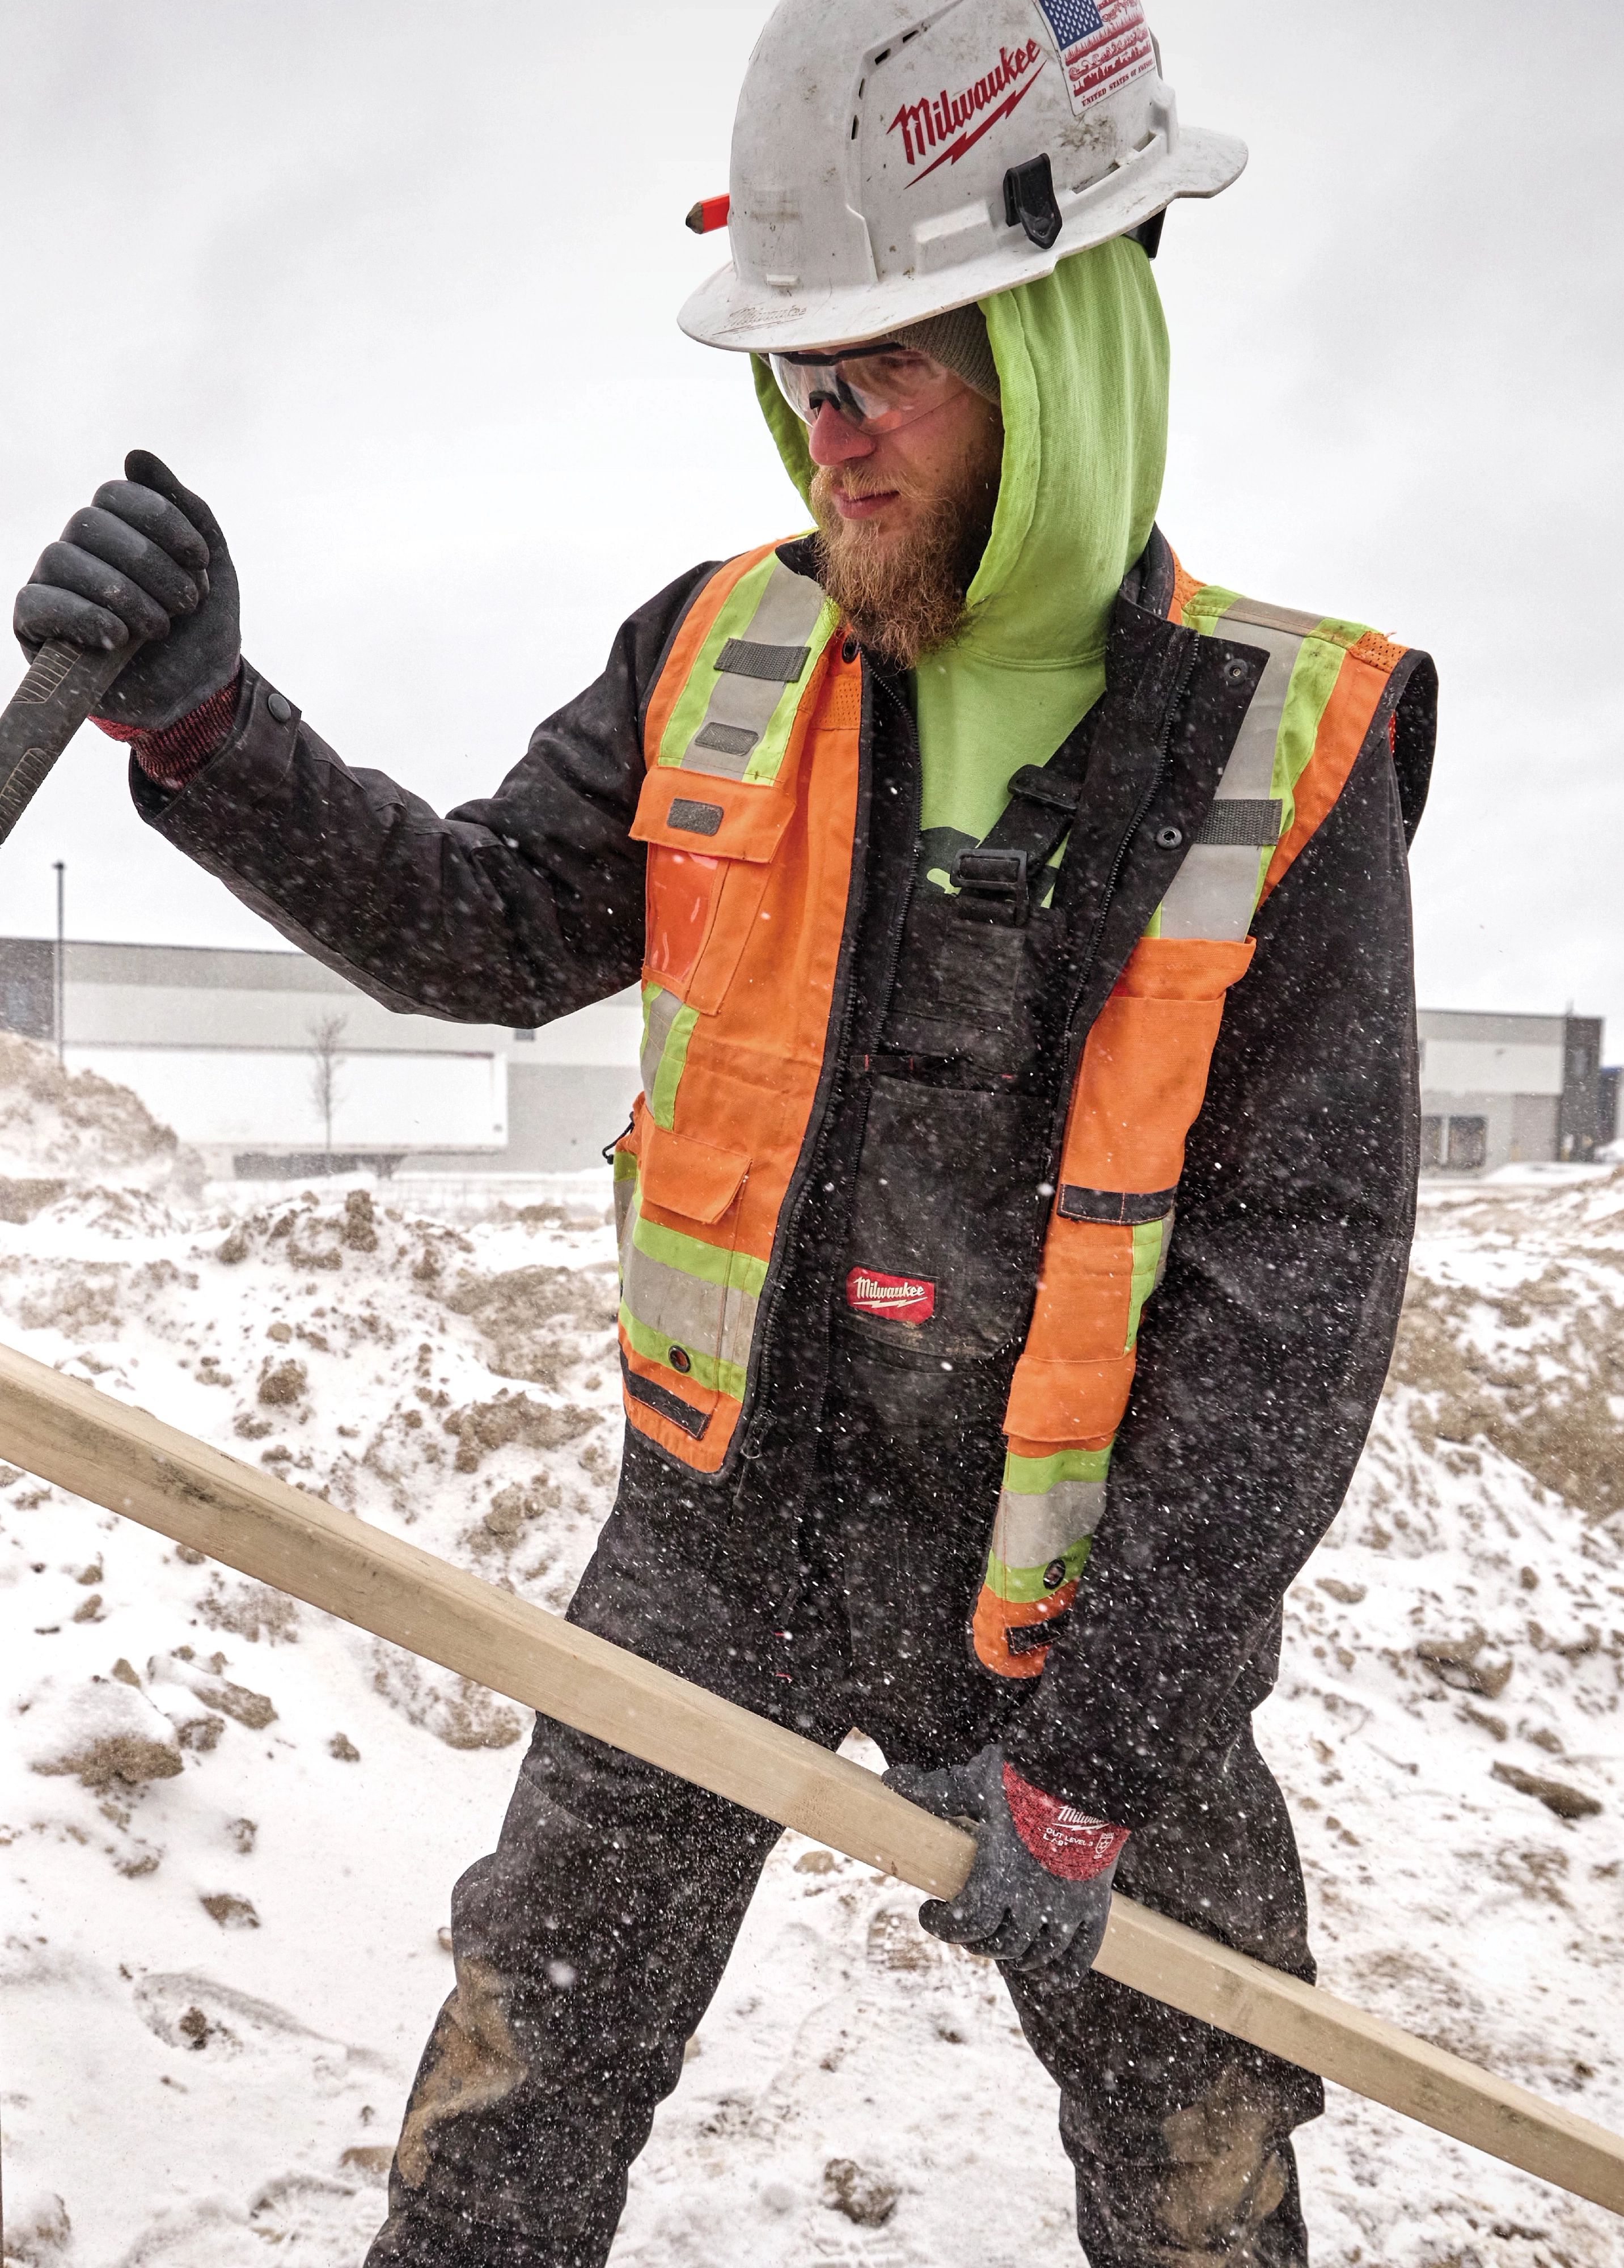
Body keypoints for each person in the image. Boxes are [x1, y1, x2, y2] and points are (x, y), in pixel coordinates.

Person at [14, 5, 1435, 2259]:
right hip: (722, 1535)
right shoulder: (714, 658)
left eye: (880, 359)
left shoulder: (1288, 744)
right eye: (794, 366)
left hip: (1072, 1605)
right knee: (508, 2101)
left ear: (1065, 335)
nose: (821, 423)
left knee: (1198, 2156)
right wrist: (206, 724)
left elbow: (1296, 1297)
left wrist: (1095, 1754)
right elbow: (477, 929)